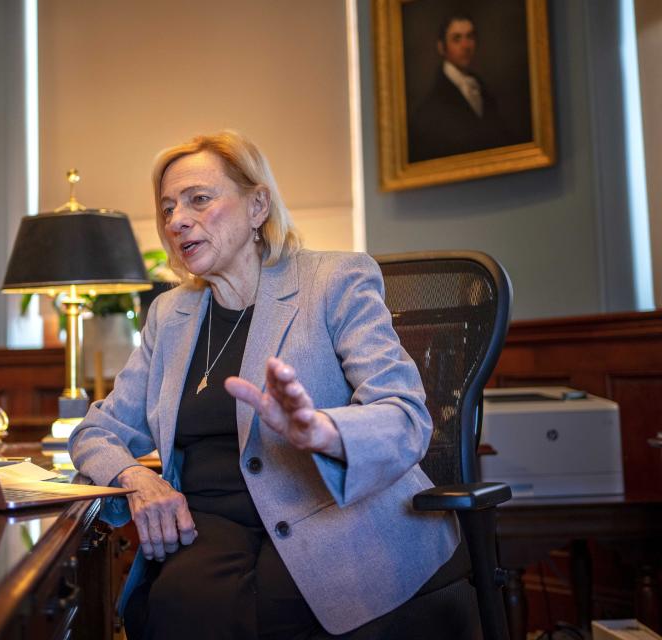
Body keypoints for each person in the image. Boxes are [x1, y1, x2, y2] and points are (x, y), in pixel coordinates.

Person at [68, 131, 478, 638]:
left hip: (332, 515)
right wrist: (137, 477)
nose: (176, 220)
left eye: (199, 199)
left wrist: (324, 431)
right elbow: (96, 431)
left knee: (285, 612)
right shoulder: (169, 314)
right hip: (212, 529)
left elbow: (405, 414)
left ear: (257, 204)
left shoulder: (336, 280)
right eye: (168, 207)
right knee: (175, 607)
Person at [408, 13, 514, 163]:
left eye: (470, 37)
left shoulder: (480, 88)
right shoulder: (430, 108)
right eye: (456, 39)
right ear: (441, 47)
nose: (466, 46)